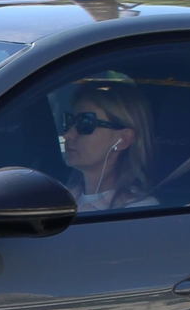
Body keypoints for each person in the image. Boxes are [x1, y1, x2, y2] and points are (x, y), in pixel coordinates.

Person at [58, 83, 157, 213]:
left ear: (123, 140)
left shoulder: (138, 209)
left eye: (85, 123)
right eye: (70, 121)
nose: (68, 135)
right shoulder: (60, 197)